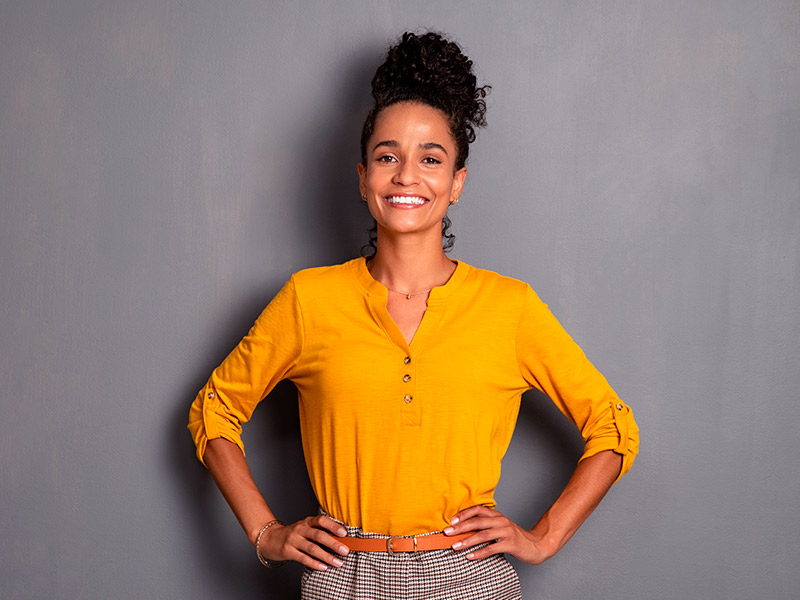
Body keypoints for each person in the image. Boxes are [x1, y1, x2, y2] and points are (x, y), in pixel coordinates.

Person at [188, 31, 639, 600]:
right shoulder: (309, 300)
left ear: (456, 183)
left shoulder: (510, 307)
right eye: (387, 156)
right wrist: (266, 532)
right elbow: (215, 409)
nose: (406, 175)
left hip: (469, 577)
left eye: (431, 158)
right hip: (341, 577)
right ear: (362, 179)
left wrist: (544, 538)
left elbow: (613, 427)